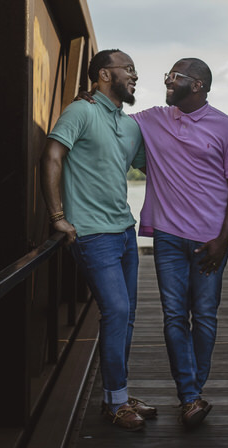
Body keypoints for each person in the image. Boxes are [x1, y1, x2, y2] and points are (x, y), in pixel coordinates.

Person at [79, 57, 228, 428]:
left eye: (175, 77)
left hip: (210, 241)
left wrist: (223, 239)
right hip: (169, 238)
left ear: (198, 85)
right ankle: (190, 397)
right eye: (167, 77)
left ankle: (193, 390)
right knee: (174, 317)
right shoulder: (152, 119)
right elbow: (112, 116)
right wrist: (91, 97)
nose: (167, 82)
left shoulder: (227, 128)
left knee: (204, 316)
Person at [39, 49, 157, 431]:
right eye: (129, 69)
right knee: (117, 311)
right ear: (105, 74)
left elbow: (155, 165)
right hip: (92, 234)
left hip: (124, 231)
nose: (135, 75)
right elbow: (52, 156)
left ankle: (117, 395)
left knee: (127, 317)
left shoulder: (129, 125)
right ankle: (114, 402)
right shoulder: (81, 112)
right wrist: (58, 216)